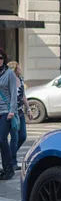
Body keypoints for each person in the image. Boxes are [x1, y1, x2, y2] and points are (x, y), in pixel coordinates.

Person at [7, 61, 32, 171]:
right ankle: (12, 162)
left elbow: (23, 96)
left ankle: (9, 156)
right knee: (14, 138)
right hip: (12, 113)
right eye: (19, 67)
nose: (21, 68)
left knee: (23, 136)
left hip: (20, 112)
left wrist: (29, 109)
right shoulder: (9, 80)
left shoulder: (21, 80)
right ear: (14, 69)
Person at [0, 49, 17, 180]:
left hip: (6, 111)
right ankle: (5, 167)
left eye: (1, 57)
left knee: (2, 139)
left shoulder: (9, 73)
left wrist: (12, 110)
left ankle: (9, 168)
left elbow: (13, 93)